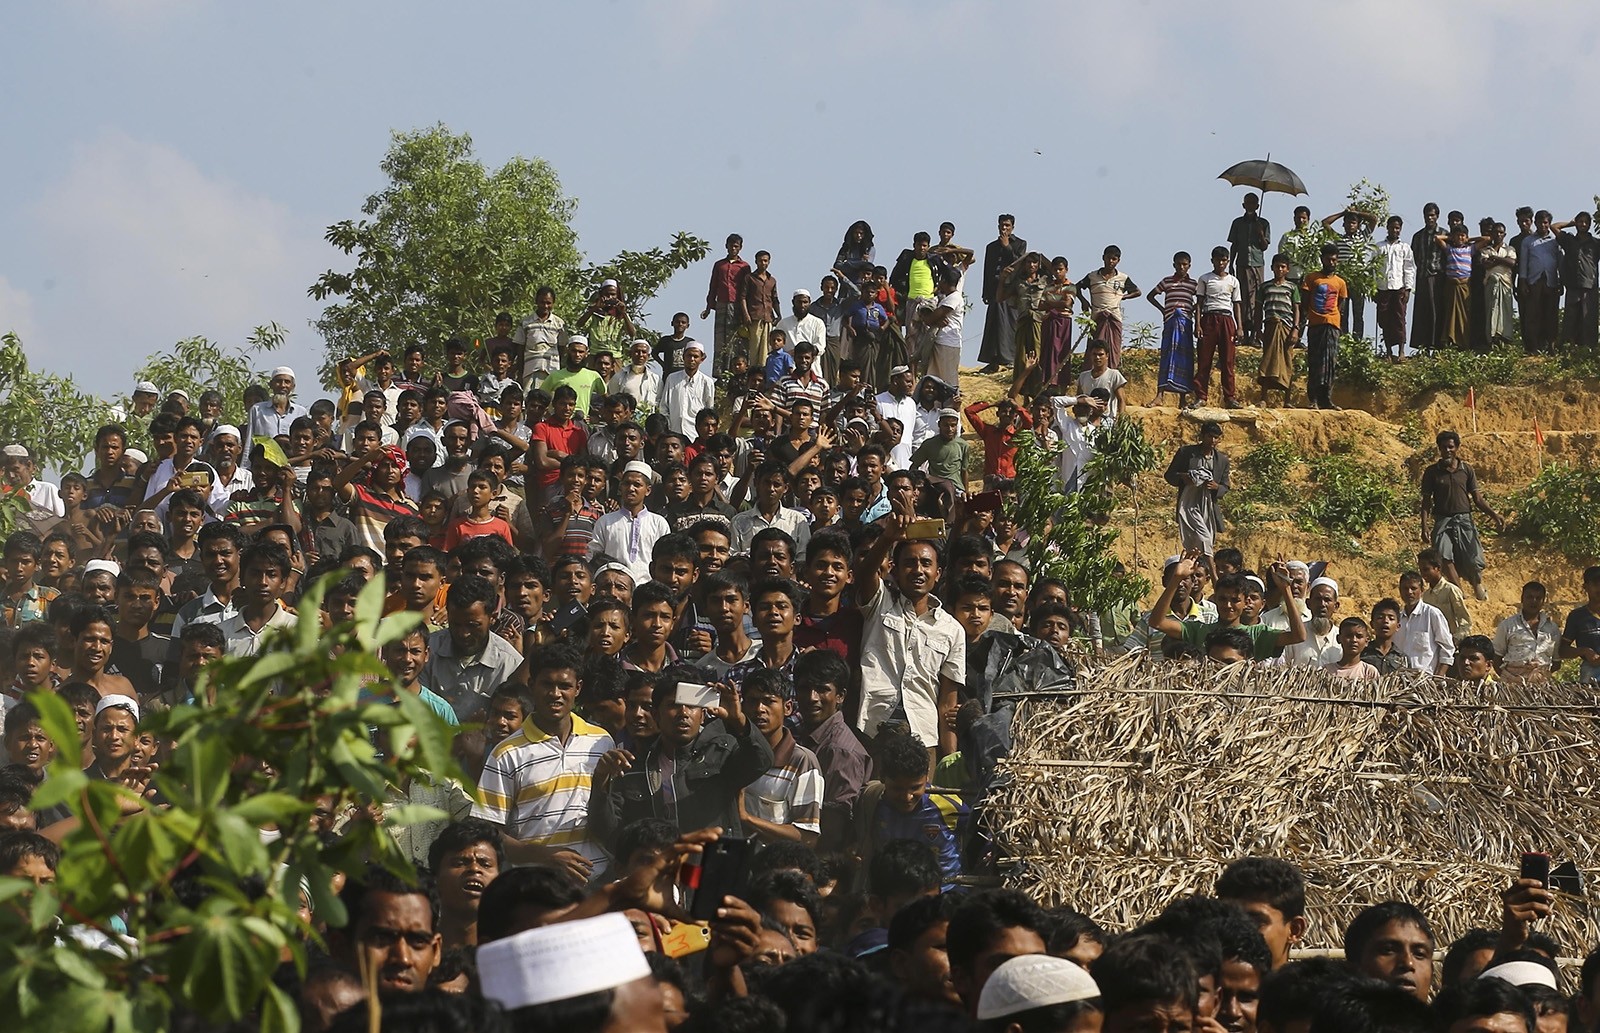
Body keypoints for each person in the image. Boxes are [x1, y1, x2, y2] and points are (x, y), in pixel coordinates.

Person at [472, 644, 612, 882]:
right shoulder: (506, 753)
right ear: (531, 685)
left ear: (578, 688)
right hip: (536, 887)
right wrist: (546, 857)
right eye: (547, 684)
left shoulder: (602, 741)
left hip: (597, 884)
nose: (556, 694)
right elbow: (488, 831)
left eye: (565, 686)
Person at [588, 667, 774, 844]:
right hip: (662, 869)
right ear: (656, 714)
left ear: (702, 715)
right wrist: (601, 782)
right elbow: (608, 831)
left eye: (692, 706)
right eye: (673, 705)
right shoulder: (634, 766)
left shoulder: (721, 752)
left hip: (712, 867)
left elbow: (762, 760)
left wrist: (739, 721)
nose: (683, 713)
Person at [853, 493, 964, 760]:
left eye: (926, 563)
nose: (918, 570)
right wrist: (889, 537)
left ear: (938, 574)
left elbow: (947, 702)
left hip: (923, 735)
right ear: (895, 570)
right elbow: (865, 573)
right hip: (872, 729)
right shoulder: (880, 604)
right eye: (909, 563)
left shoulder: (952, 630)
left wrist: (950, 758)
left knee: (922, 799)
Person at [1420, 430, 1503, 600]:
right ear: (1439, 449)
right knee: (1443, 555)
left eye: (1451, 447)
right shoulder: (1432, 472)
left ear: (1457, 448)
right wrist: (1424, 525)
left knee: (1473, 558)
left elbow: (1477, 499)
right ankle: (1459, 593)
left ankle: (1477, 585)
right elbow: (1426, 501)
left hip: (1464, 519)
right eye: (1443, 448)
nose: (1447, 451)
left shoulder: (1466, 470)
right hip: (1443, 520)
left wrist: (1494, 515)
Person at [1164, 422, 1229, 559]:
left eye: (1216, 438)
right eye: (1209, 436)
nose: (1213, 441)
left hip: (1208, 504)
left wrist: (1216, 487)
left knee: (1206, 539)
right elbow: (1169, 475)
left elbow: (1225, 486)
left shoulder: (1222, 460)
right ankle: (1210, 571)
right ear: (1202, 436)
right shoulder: (1186, 453)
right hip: (1189, 503)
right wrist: (1184, 478)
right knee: (1201, 539)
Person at [1075, 246, 1142, 368]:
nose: (1111, 261)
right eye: (1108, 258)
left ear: (1118, 261)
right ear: (1103, 258)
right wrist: (1083, 301)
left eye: (1114, 259)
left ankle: (1112, 375)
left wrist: (1124, 297)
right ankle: (1092, 375)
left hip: (1114, 318)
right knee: (1095, 347)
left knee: (1113, 348)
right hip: (1097, 317)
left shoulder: (1123, 278)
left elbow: (1138, 292)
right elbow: (1076, 288)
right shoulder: (1092, 276)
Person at [1194, 246, 1243, 408]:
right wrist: (1198, 324)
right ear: (1212, 261)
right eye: (1218, 260)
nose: (1221, 263)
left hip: (1227, 320)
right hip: (1209, 319)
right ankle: (1201, 397)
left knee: (1228, 361)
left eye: (1224, 260)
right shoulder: (1205, 279)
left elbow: (1237, 305)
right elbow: (1199, 303)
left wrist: (1239, 327)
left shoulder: (1233, 281)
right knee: (1204, 360)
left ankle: (1229, 397)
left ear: (1228, 261)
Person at [979, 214, 1028, 373]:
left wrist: (1007, 246)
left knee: (1009, 324)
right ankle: (992, 361)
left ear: (1013, 227)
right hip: (994, 290)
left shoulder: (1020, 244)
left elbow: (1019, 264)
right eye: (1002, 225)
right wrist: (985, 292)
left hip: (1011, 291)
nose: (1004, 228)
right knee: (993, 325)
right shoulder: (991, 247)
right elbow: (987, 270)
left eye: (1007, 225)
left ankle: (1009, 360)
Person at [1148, 251, 1198, 406]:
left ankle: (1182, 399)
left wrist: (1193, 309)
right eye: (1178, 264)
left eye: (1184, 264)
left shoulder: (1193, 284)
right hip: (1170, 321)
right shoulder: (1167, 281)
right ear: (1174, 265)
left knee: (1185, 358)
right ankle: (1159, 396)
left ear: (1189, 265)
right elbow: (1151, 296)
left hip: (1185, 323)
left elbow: (1202, 299)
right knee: (1167, 356)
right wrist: (1164, 310)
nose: (1181, 267)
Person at [1493, 581, 1560, 683]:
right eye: (1529, 597)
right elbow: (1496, 657)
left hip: (1542, 686)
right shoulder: (1507, 625)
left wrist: (1539, 675)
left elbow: (1556, 662)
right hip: (1512, 684)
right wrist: (1509, 678)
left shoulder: (1552, 629)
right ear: (1522, 598)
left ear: (1543, 601)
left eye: (1538, 598)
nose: (1534, 601)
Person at [1228, 193, 1271, 346]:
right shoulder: (1238, 223)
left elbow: (1265, 246)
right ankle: (1243, 333)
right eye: (1248, 203)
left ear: (1258, 206)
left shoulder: (1264, 223)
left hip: (1257, 264)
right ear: (1243, 205)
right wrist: (1230, 263)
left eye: (1253, 203)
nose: (1251, 206)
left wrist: (1260, 234)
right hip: (1242, 263)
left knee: (1257, 298)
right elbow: (1234, 245)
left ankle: (1255, 334)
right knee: (1243, 298)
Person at [1373, 215, 1417, 361]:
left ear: (1400, 229)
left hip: (1399, 288)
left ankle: (1402, 352)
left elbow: (1409, 269)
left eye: (1397, 228)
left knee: (1399, 319)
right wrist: (1373, 288)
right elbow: (1373, 268)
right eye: (1392, 227)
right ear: (1388, 228)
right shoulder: (1379, 247)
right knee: (1384, 319)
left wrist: (1408, 289)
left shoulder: (1404, 248)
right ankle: (1388, 352)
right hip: (1383, 288)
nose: (1395, 230)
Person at [1519, 211, 1562, 354]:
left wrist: (1561, 282)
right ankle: (1533, 346)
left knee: (1550, 314)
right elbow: (1523, 263)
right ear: (1535, 223)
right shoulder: (1528, 241)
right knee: (1533, 314)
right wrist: (1523, 282)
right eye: (1540, 222)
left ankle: (1551, 345)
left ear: (1549, 224)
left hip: (1551, 281)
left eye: (1546, 222)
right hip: (1534, 281)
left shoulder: (1555, 241)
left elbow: (1560, 262)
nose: (1543, 225)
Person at [1396, 570, 1455, 675]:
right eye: (1405, 588)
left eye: (1413, 588)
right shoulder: (1397, 619)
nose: (1409, 592)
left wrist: (1438, 677)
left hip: (1425, 681)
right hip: (1400, 681)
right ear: (1400, 591)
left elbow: (1447, 648)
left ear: (1422, 590)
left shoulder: (1432, 614)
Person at [658, 342, 716, 440]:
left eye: (695, 356)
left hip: (695, 436)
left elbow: (709, 410)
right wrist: (667, 429)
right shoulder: (672, 379)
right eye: (689, 355)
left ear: (701, 359)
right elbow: (664, 407)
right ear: (683, 357)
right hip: (674, 433)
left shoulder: (707, 382)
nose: (692, 359)